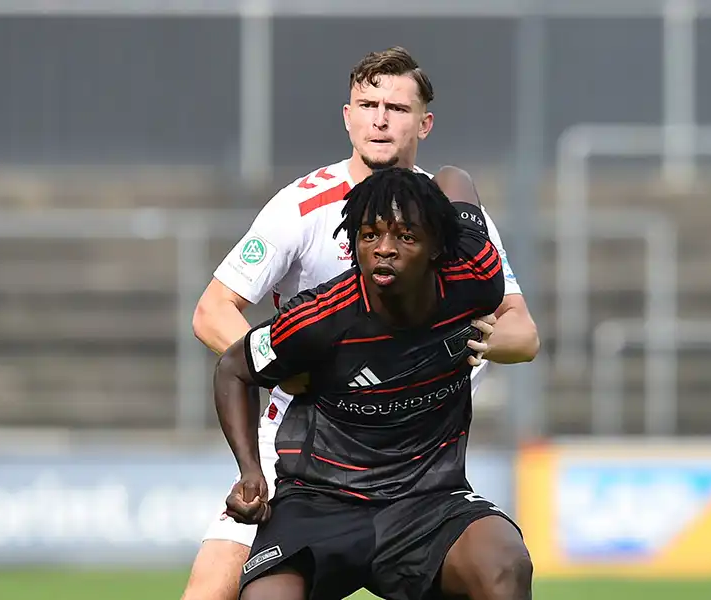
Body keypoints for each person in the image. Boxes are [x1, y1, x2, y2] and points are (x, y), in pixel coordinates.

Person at [183, 46, 539, 600]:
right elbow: (212, 312)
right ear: (347, 115)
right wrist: (294, 375)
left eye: (395, 108)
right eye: (366, 104)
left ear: (424, 122)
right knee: (211, 590)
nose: (378, 119)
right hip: (305, 449)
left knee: (498, 564)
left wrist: (467, 342)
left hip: (422, 455)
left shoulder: (450, 217)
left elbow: (520, 330)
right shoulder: (300, 209)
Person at [215, 166, 533, 600]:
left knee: (504, 564)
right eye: (369, 236)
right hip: (320, 498)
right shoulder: (317, 318)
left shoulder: (476, 275)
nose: (384, 250)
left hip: (429, 499)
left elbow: (456, 177)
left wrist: (439, 182)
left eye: (405, 236)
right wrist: (250, 471)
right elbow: (233, 368)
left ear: (438, 246)